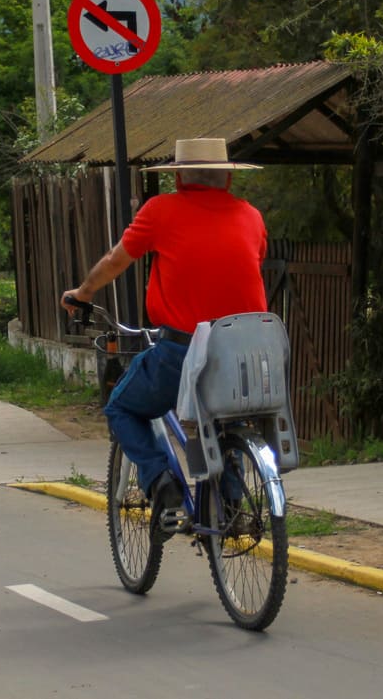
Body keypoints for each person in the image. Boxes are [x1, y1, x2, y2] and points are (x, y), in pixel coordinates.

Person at [61, 137, 267, 540]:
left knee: (121, 407)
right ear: (227, 177)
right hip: (247, 352)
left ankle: (162, 483)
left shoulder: (161, 211)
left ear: (176, 177)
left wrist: (82, 294)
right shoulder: (250, 215)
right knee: (227, 418)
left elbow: (115, 261)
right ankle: (229, 509)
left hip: (184, 351)